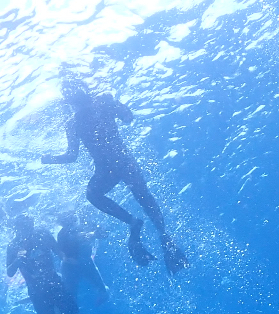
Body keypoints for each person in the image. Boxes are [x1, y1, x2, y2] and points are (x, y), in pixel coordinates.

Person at [40, 74, 187, 273]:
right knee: (134, 196)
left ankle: (149, 229)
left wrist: (49, 159)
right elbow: (127, 118)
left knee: (117, 195)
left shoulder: (90, 110)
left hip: (114, 165)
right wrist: (51, 158)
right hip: (118, 164)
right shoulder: (89, 111)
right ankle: (151, 229)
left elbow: (72, 155)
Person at [6, 214, 78, 314]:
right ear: (16, 229)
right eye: (22, 227)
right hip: (35, 290)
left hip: (53, 280)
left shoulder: (42, 234)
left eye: (28, 226)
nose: (26, 229)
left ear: (33, 224)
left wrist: (68, 260)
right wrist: (17, 261)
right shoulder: (13, 246)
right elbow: (10, 272)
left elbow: (58, 251)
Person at [56, 212, 109, 305]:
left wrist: (93, 234)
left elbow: (104, 234)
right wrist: (79, 237)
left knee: (103, 290)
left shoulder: (86, 225)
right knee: (71, 294)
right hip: (70, 266)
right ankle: (69, 304)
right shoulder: (62, 234)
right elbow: (63, 251)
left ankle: (100, 300)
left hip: (85, 262)